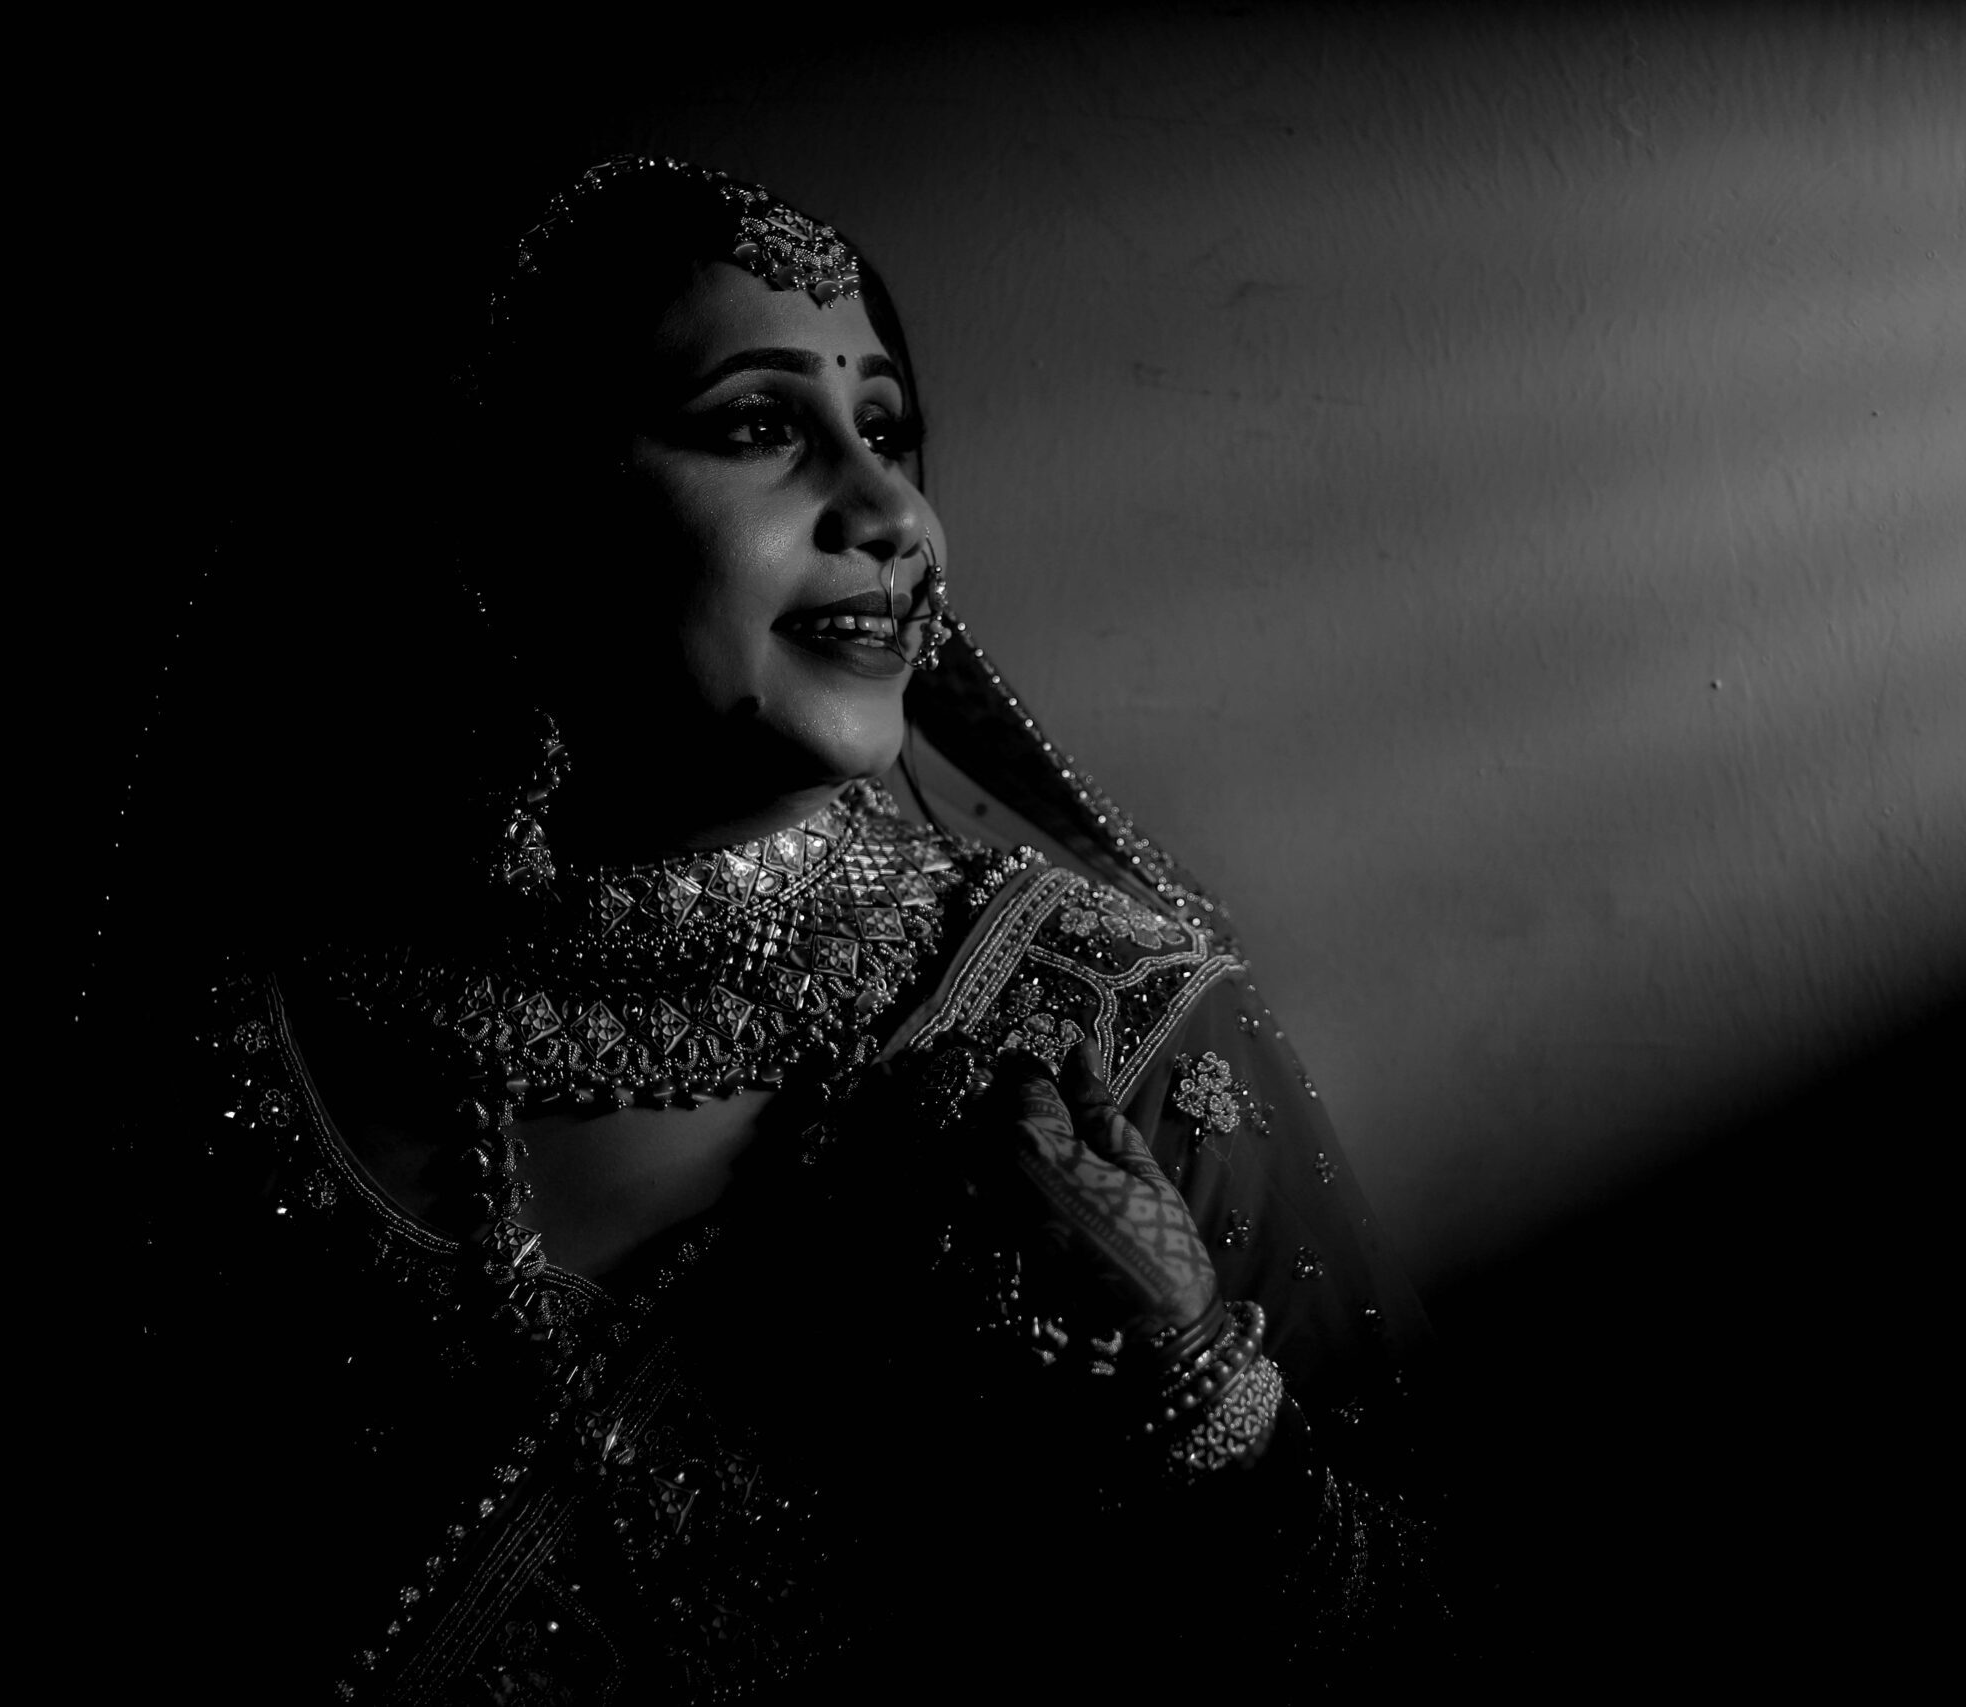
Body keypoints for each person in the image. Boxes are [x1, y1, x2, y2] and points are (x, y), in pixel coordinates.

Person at [115, 156, 1448, 1701]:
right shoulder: (248, 1049)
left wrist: (1190, 1384)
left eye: (887, 430)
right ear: (512, 509)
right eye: (759, 425)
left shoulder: (1107, 1024)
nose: (891, 514)